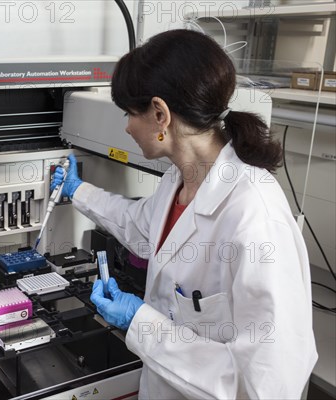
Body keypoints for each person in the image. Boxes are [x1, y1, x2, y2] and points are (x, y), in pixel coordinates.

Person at [51, 29, 317, 399]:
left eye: (130, 113)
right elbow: (140, 226)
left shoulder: (255, 218)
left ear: (160, 114)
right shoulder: (180, 178)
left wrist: (140, 323)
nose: (127, 127)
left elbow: (267, 385)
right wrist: (77, 191)